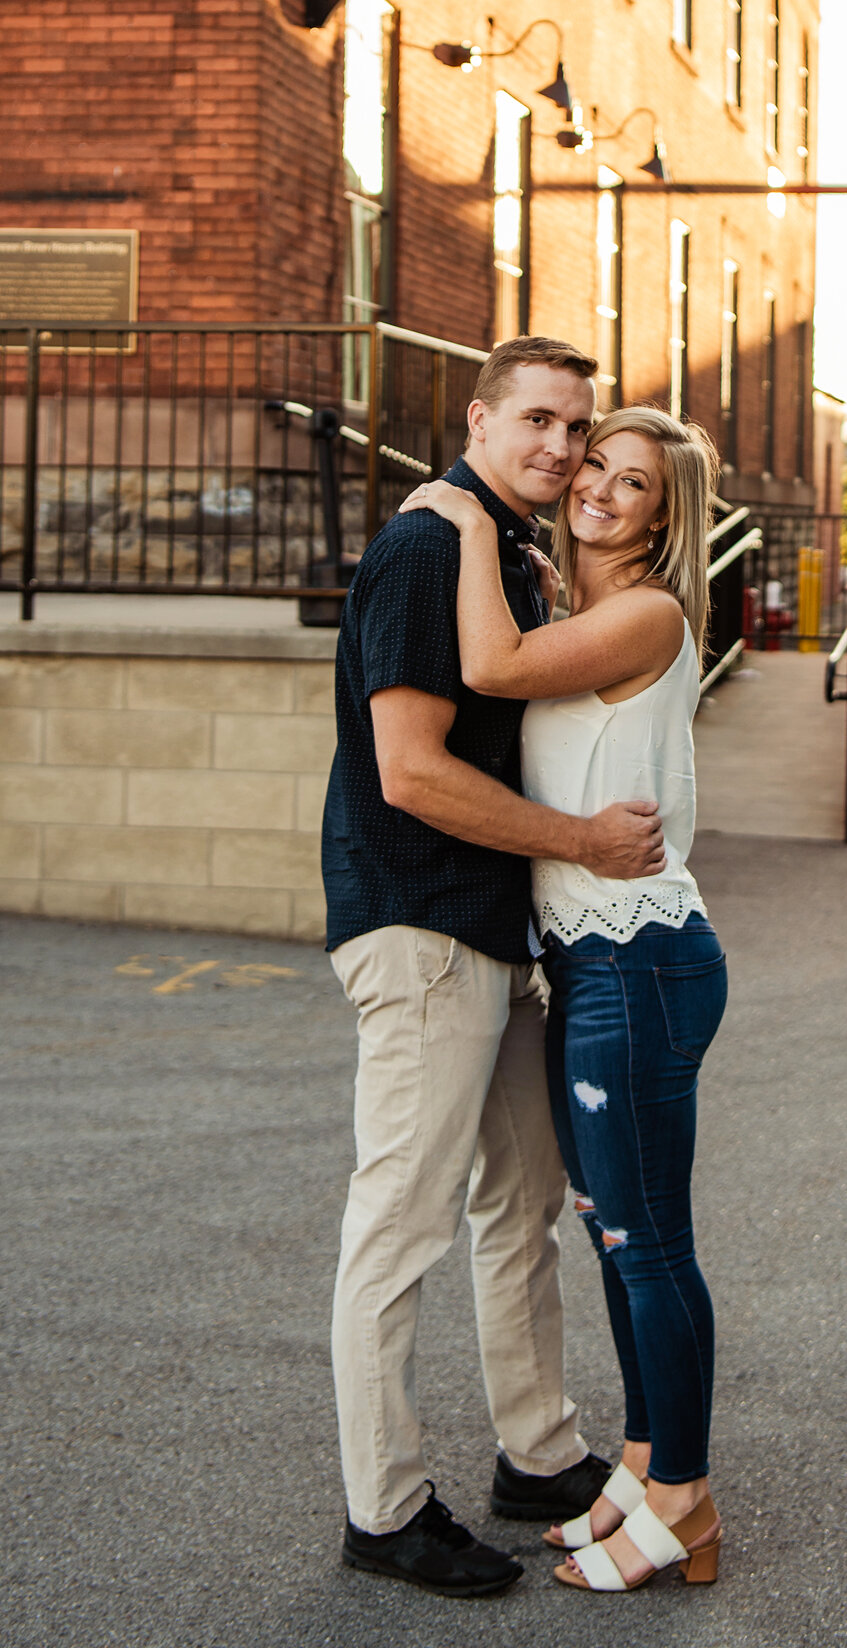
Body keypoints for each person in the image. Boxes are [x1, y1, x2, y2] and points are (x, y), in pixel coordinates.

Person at [322, 336, 669, 1600]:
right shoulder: (427, 544)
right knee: (399, 1224)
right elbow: (410, 769)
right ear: (477, 416)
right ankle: (386, 1505)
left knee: (518, 1206)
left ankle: (537, 1452)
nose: (559, 447)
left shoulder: (508, 550)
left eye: (574, 426)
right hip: (420, 924)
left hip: (499, 930)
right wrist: (583, 842)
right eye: (534, 418)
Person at [403, 404, 727, 1595]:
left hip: (638, 957)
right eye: (596, 462)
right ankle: (641, 1470)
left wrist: (460, 513)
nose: (597, 486)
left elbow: (488, 665)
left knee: (652, 1247)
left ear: (661, 514)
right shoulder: (581, 604)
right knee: (613, 1231)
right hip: (590, 957)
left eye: (631, 481)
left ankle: (685, 1497)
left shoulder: (642, 613)